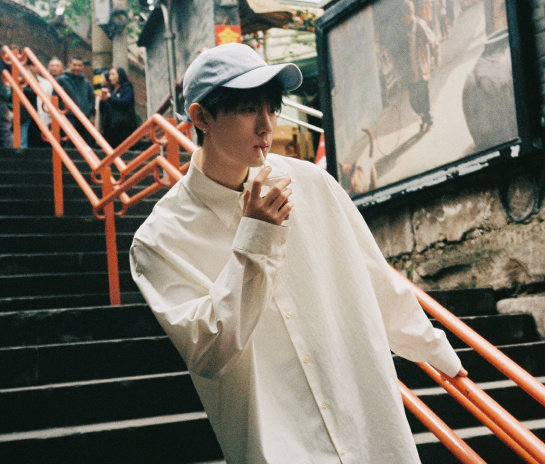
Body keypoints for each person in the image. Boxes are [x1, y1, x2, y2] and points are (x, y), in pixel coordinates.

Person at [130, 43, 465, 464]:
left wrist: (436, 351)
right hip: (280, 442)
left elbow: (373, 276)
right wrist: (255, 240)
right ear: (201, 118)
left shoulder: (310, 183)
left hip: (365, 425)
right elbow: (209, 352)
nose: (266, 125)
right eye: (248, 109)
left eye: (272, 108)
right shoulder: (159, 239)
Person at [403, 0, 438, 132]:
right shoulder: (403, 29)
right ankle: (423, 116)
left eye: (405, 16)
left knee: (423, 96)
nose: (404, 20)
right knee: (413, 100)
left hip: (422, 68)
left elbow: (432, 41)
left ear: (411, 13)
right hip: (411, 72)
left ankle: (428, 118)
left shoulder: (419, 25)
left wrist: (436, 56)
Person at [56, 56, 95, 146]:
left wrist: (88, 110)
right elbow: (55, 98)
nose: (77, 68)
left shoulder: (86, 83)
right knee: (68, 144)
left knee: (86, 144)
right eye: (74, 65)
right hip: (68, 117)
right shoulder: (61, 80)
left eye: (79, 65)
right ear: (69, 64)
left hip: (83, 118)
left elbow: (91, 99)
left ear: (83, 67)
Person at [99, 66, 137, 147]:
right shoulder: (110, 90)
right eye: (110, 75)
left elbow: (125, 103)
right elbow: (104, 109)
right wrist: (103, 101)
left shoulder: (127, 88)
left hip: (123, 126)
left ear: (120, 75)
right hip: (110, 126)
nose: (110, 77)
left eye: (113, 75)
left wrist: (110, 99)